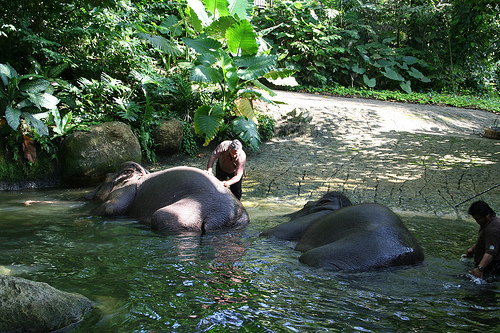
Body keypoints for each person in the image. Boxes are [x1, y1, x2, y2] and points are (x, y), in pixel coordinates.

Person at [463, 201, 500, 279]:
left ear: (487, 215)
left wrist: (480, 268)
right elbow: (488, 241)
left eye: (479, 219)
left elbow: (491, 252)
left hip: (491, 266)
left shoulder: (492, 229)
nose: (477, 221)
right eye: (475, 219)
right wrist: (473, 249)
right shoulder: (492, 221)